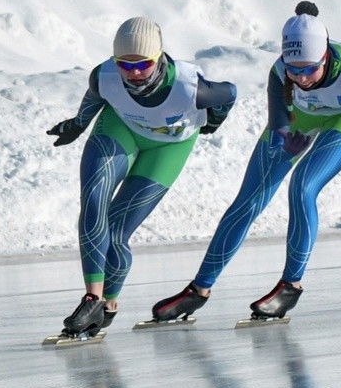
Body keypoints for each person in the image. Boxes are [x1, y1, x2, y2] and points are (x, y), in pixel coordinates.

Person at [146, 3, 341, 325]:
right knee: (247, 201)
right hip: (304, 114)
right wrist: (283, 137)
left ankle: (290, 286)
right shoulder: (281, 72)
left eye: (309, 69)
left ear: (325, 57)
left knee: (303, 185)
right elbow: (279, 119)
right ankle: (199, 290)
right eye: (295, 69)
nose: (302, 77)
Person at [44, 17, 236, 341]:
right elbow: (96, 94)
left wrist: (212, 122)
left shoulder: (192, 88)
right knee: (93, 199)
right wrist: (78, 123)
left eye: (143, 65)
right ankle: (91, 299)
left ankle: (109, 302)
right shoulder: (105, 75)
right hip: (122, 130)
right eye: (125, 65)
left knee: (117, 231)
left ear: (159, 57)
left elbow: (229, 93)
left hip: (168, 148)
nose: (133, 74)